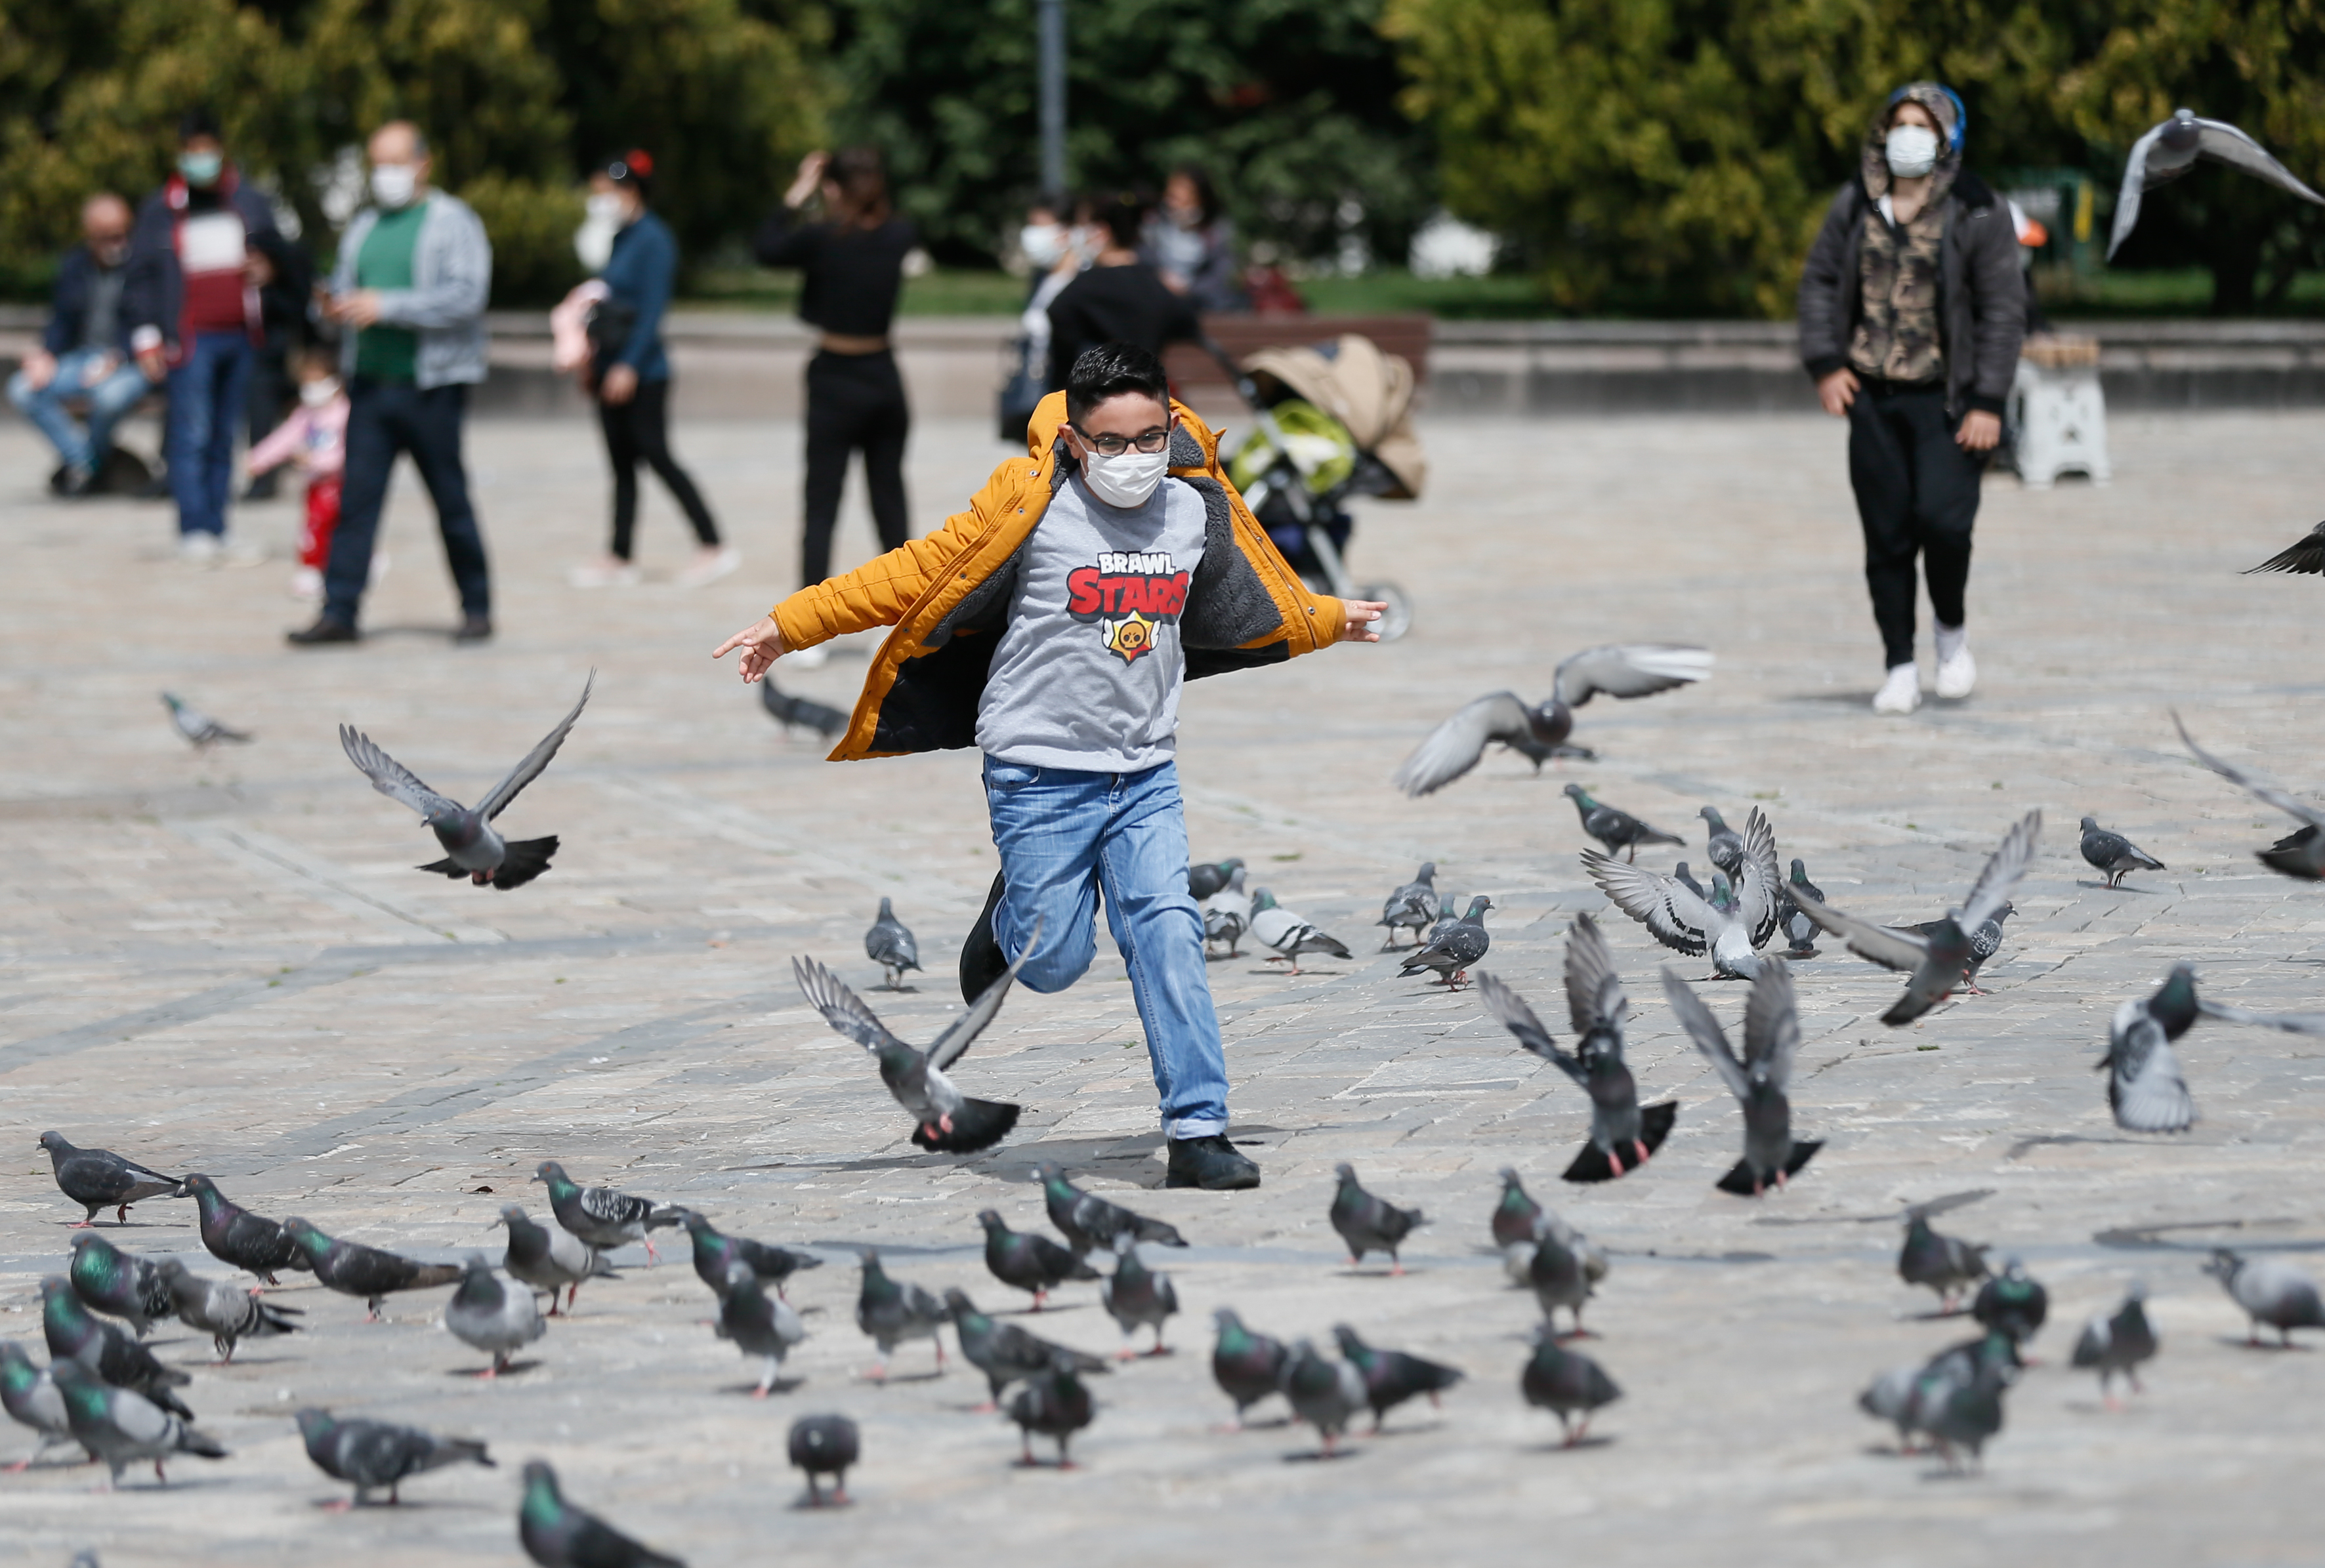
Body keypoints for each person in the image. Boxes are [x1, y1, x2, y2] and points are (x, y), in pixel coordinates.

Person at [711, 342, 1388, 1191]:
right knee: (1055, 960)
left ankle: (1197, 1130)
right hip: (1038, 776)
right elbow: (912, 571)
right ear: (1073, 440)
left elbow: (1243, 599)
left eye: (1150, 437)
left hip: (1144, 775)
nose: (1134, 457)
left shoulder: (1189, 510)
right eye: (1112, 442)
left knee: (1168, 933)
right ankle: (1008, 922)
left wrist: (1326, 618)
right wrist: (791, 623)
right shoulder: (1031, 507)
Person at [1799, 83, 2026, 716]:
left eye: (1922, 125)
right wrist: (1825, 364)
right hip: (1872, 400)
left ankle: (1950, 635)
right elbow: (1819, 281)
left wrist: (1988, 400)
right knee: (1887, 536)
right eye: (1898, 122)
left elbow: (2003, 309)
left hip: (1949, 402)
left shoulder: (1976, 208)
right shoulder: (1856, 201)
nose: (1908, 134)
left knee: (1944, 524)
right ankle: (1898, 664)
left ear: (1947, 136)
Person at [291, 121, 494, 646]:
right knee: (355, 503)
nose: (386, 175)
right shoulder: (364, 225)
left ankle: (476, 607)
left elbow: (466, 297)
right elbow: (347, 289)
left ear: (423, 163)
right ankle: (339, 611)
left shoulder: (453, 221)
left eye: (395, 163)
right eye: (378, 165)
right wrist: (333, 305)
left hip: (430, 388)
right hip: (369, 386)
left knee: (450, 500)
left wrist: (389, 306)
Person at [753, 147, 917, 667]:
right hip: (883, 375)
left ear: (831, 188)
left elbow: (765, 248)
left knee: (821, 503)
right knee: (889, 503)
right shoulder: (899, 234)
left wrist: (795, 194)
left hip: (834, 378)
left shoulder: (821, 237)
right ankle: (906, 618)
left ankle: (807, 627)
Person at [123, 110, 295, 560]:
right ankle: (193, 526)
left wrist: (269, 269)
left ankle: (219, 524)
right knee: (192, 434)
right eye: (192, 151)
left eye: (207, 150)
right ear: (181, 155)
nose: (201, 159)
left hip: (241, 336)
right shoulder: (160, 209)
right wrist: (146, 337)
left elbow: (282, 257)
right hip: (191, 338)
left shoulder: (250, 201)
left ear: (221, 151)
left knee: (224, 436)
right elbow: (140, 279)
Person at [566, 152, 734, 590]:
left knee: (657, 455)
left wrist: (628, 365)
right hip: (607, 365)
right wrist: (593, 362)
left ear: (630, 191)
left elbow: (651, 311)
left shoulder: (654, 239)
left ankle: (712, 543)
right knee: (621, 464)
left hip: (644, 372)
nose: (599, 201)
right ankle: (620, 554)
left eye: (605, 192)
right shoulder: (618, 237)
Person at [7, 194, 150, 495]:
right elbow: (61, 321)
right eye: (105, 236)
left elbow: (151, 321)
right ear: (90, 235)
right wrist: (45, 356)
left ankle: (85, 467)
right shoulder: (75, 265)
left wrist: (118, 357)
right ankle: (86, 461)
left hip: (129, 361)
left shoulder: (144, 266)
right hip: (82, 359)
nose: (115, 243)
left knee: (109, 397)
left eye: (120, 234)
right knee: (22, 389)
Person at [1045, 194, 1202, 391]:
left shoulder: (1086, 285)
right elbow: (1187, 322)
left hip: (1097, 392)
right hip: (1149, 390)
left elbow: (1058, 316)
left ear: (1103, 232)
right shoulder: (1156, 283)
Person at [245, 344, 356, 602]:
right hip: (316, 483)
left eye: (317, 382)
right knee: (315, 527)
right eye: (306, 383)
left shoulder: (346, 413)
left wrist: (315, 460)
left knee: (333, 527)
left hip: (340, 482)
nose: (311, 389)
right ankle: (318, 569)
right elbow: (285, 438)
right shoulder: (306, 414)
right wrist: (259, 458)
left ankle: (318, 570)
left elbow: (349, 452)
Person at [1142, 167, 1246, 312]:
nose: (1174, 197)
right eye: (1171, 193)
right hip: (1159, 301)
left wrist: (1188, 289)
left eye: (1183, 190)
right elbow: (1144, 262)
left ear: (1200, 196)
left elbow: (1221, 275)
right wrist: (1161, 281)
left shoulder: (1218, 232)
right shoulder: (1152, 225)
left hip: (1204, 306)